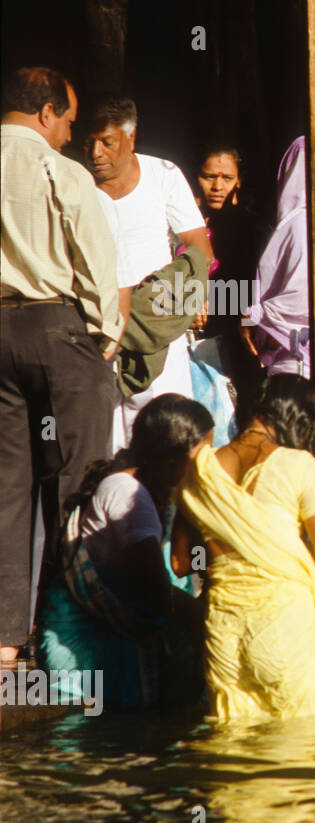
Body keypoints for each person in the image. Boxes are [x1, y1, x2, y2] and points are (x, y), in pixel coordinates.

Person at [1, 67, 123, 665]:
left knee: (7, 486)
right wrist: (104, 334)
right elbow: (97, 264)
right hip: (56, 328)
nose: (70, 134)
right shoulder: (58, 170)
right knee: (78, 480)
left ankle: (3, 641)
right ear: (46, 112)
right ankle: (66, 628)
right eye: (69, 121)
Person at [175, 375, 315, 722]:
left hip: (223, 632)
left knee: (232, 751)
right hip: (284, 627)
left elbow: (180, 561)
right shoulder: (298, 466)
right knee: (306, 745)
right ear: (299, 422)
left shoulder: (199, 473)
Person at [39, 394, 213, 707]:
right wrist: (215, 620)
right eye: (204, 455)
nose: (209, 465)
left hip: (118, 630)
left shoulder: (158, 488)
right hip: (85, 649)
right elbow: (158, 592)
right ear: (175, 457)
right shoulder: (128, 494)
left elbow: (182, 566)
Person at [84, 96, 213, 451]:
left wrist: (175, 301)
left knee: (167, 438)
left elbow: (200, 249)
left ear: (131, 139)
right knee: (108, 443)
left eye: (107, 142)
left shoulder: (163, 175)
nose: (96, 152)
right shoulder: (76, 185)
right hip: (98, 330)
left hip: (158, 326)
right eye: (89, 141)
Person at [194, 145, 264, 406]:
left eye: (227, 178)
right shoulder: (180, 224)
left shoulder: (250, 229)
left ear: (239, 182)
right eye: (209, 177)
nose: (217, 186)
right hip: (191, 329)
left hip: (237, 331)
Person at [241, 136, 310, 379]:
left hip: (296, 355)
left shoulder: (301, 225)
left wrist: (255, 316)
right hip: (286, 352)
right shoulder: (290, 224)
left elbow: (300, 297)